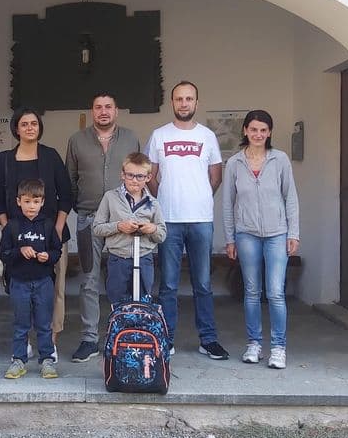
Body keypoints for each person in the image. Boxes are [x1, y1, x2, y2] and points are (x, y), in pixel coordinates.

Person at [146, 80, 229, 360]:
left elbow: (215, 177)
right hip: (168, 220)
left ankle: (208, 339)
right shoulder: (159, 136)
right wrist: (165, 200)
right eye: (179, 99)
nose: (184, 103)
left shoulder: (208, 136)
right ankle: (166, 338)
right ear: (172, 103)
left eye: (189, 99)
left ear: (197, 102)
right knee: (168, 285)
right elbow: (151, 177)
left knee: (203, 284)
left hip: (201, 220)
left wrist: (201, 196)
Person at [0, 107, 72, 360]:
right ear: (16, 128)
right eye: (24, 124)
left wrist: (57, 229)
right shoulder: (5, 159)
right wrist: (9, 231)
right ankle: (24, 340)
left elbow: (66, 195)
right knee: (21, 290)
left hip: (51, 236)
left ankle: (51, 340)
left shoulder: (50, 156)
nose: (29, 127)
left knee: (54, 288)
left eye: (34, 123)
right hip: (17, 240)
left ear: (39, 127)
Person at [65, 92, 140, 362]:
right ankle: (89, 339)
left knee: (127, 278)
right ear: (92, 111)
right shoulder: (77, 141)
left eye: (108, 107)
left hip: (125, 221)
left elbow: (137, 176)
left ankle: (126, 332)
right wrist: (82, 208)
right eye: (98, 107)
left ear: (116, 111)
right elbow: (70, 180)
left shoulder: (131, 139)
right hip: (89, 219)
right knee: (89, 279)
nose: (103, 112)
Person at [223, 110, 300, 370]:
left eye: (263, 130)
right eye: (254, 129)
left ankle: (279, 347)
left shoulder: (280, 160)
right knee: (252, 291)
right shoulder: (234, 163)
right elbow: (227, 204)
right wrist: (230, 238)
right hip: (246, 233)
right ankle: (254, 343)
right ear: (245, 130)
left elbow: (290, 197)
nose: (258, 134)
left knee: (276, 292)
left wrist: (293, 233)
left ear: (269, 133)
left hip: (277, 233)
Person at [0, 179, 63, 379]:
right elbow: (4, 254)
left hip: (43, 281)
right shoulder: (12, 226)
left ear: (42, 202)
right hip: (19, 282)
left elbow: (56, 250)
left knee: (44, 324)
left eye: (35, 202)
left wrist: (48, 257)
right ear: (19, 201)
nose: (31, 206)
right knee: (21, 324)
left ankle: (47, 360)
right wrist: (20, 251)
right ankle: (18, 360)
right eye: (27, 201)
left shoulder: (48, 225)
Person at [93, 152, 166, 303]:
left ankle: (138, 327)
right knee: (118, 302)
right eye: (130, 175)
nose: (134, 180)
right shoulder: (110, 197)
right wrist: (119, 226)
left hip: (144, 259)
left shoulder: (153, 203)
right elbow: (97, 228)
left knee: (142, 302)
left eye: (140, 176)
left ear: (148, 177)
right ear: (122, 175)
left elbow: (162, 234)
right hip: (118, 259)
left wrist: (152, 229)